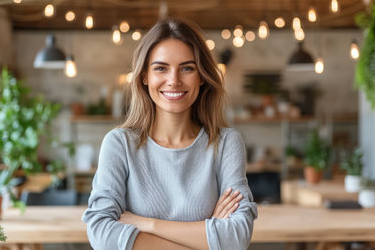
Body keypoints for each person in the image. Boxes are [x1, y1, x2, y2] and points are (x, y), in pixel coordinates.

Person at [82, 18, 258, 250]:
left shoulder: (225, 143)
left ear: (202, 76)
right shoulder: (119, 144)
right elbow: (101, 234)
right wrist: (207, 235)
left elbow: (236, 238)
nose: (173, 80)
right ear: (145, 76)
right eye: (160, 68)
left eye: (187, 68)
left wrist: (147, 224)